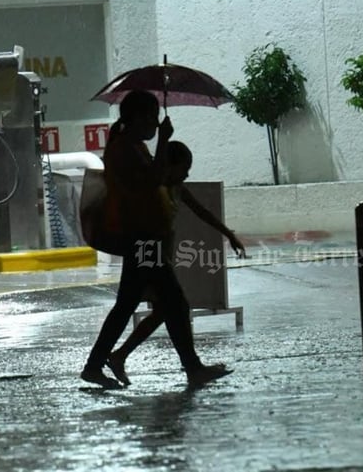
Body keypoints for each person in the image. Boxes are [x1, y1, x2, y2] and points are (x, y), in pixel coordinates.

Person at [80, 90, 232, 389]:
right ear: (136, 117)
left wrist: (160, 142)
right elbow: (152, 181)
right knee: (173, 302)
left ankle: (96, 365)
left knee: (131, 304)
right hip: (142, 238)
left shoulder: (133, 146)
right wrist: (163, 140)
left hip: (145, 237)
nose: (155, 122)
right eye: (152, 116)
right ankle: (192, 368)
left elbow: (158, 177)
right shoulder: (122, 149)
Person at [105, 140, 247, 386]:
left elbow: (201, 211)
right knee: (174, 306)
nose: (187, 173)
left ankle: (120, 356)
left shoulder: (176, 187)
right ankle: (191, 368)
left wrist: (228, 233)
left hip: (160, 255)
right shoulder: (153, 187)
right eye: (184, 167)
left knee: (167, 309)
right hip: (148, 255)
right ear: (168, 166)